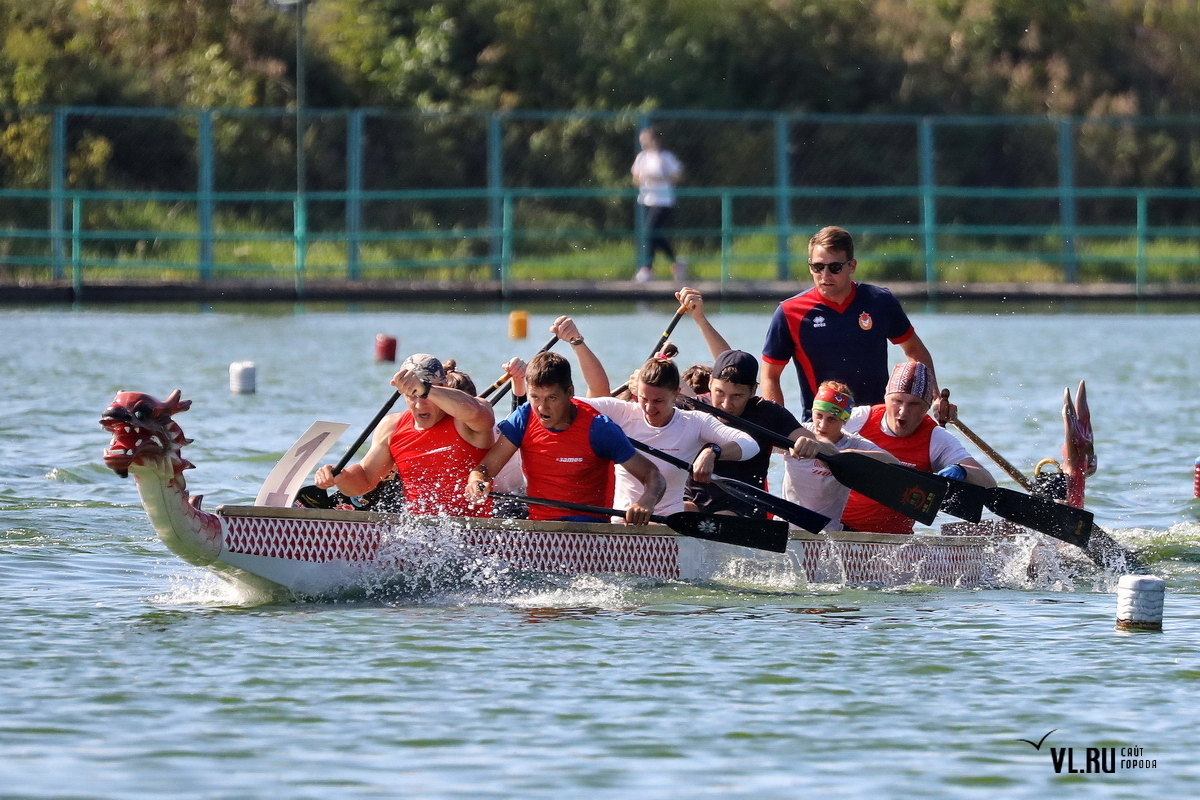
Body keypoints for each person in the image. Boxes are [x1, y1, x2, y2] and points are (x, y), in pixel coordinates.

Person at [761, 226, 949, 422]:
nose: (825, 275)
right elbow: (769, 376)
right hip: (823, 425)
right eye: (818, 267)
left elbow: (914, 350)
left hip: (878, 422)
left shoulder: (880, 301)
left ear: (852, 266)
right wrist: (777, 424)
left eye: (835, 267)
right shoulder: (789, 312)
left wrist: (933, 398)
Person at [466, 351, 665, 525]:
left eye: (551, 398)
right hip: (541, 528)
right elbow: (484, 470)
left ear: (570, 392)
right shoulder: (524, 418)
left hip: (588, 531)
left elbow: (654, 476)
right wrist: (478, 482)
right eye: (535, 397)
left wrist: (645, 502)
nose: (542, 409)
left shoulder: (599, 428)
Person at [314, 353, 496, 517]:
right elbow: (365, 479)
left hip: (473, 532)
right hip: (415, 534)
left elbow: (482, 415)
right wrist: (339, 476)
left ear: (444, 386)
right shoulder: (391, 427)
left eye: (423, 396)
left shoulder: (465, 419)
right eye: (411, 395)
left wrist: (425, 389)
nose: (419, 405)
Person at [581, 355, 761, 517]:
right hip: (624, 522)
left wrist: (713, 451)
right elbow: (570, 405)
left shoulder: (694, 422)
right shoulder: (622, 412)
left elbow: (750, 444)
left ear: (676, 393)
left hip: (669, 524)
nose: (649, 408)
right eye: (644, 399)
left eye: (658, 401)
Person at [840, 362, 996, 534]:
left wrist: (962, 471)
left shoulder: (936, 438)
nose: (903, 412)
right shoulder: (858, 419)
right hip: (836, 531)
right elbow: (815, 436)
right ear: (885, 398)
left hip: (894, 541)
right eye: (897, 401)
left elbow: (989, 484)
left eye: (914, 404)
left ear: (927, 407)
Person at [781, 381, 898, 531]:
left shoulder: (853, 443)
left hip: (828, 535)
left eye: (832, 419)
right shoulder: (796, 432)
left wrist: (850, 456)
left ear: (845, 420)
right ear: (813, 411)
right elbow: (758, 444)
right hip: (786, 529)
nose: (822, 425)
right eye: (819, 416)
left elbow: (895, 465)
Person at [631, 127, 685, 283]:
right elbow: (635, 178)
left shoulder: (665, 157)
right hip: (647, 199)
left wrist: (658, 179)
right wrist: (642, 177)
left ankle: (647, 269)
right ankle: (675, 264)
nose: (643, 143)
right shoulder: (642, 158)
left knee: (650, 232)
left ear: (654, 140)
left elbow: (676, 176)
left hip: (663, 201)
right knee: (654, 234)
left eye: (646, 140)